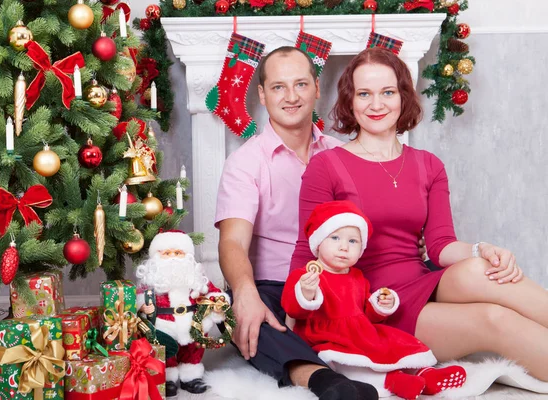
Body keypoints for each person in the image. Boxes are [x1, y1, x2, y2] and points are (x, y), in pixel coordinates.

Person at [289, 46, 548, 382]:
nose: (377, 104)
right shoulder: (327, 166)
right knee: (494, 318)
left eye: (387, 92)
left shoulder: (428, 164)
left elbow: (440, 246)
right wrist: (294, 316)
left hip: (421, 279)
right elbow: (305, 248)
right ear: (350, 101)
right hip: (377, 304)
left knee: (480, 268)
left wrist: (480, 249)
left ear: (403, 96)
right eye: (365, 94)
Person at [216, 46, 379, 399]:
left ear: (317, 88)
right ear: (261, 94)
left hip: (336, 279)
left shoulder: (342, 154)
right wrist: (244, 294)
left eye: (301, 84)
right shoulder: (246, 162)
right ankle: (324, 380)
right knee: (249, 318)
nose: (291, 97)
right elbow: (231, 242)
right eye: (278, 87)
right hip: (273, 285)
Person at [282, 200, 467, 399]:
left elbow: (365, 311)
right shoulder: (305, 276)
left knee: (396, 345)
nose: (344, 247)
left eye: (353, 241)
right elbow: (293, 309)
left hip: (359, 331)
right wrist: (306, 292)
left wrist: (378, 305)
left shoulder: (357, 276)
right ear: (318, 244)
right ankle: (392, 381)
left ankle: (424, 373)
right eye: (335, 238)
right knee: (349, 364)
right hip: (326, 336)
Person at [135, 230, 228, 397]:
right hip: (164, 325)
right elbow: (139, 298)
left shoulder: (196, 278)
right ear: (156, 256)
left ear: (187, 256)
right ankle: (167, 378)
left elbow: (213, 293)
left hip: (193, 322)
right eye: (167, 253)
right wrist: (142, 307)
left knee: (193, 350)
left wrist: (217, 302)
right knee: (165, 351)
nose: (172, 257)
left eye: (178, 253)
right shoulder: (152, 280)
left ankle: (191, 377)